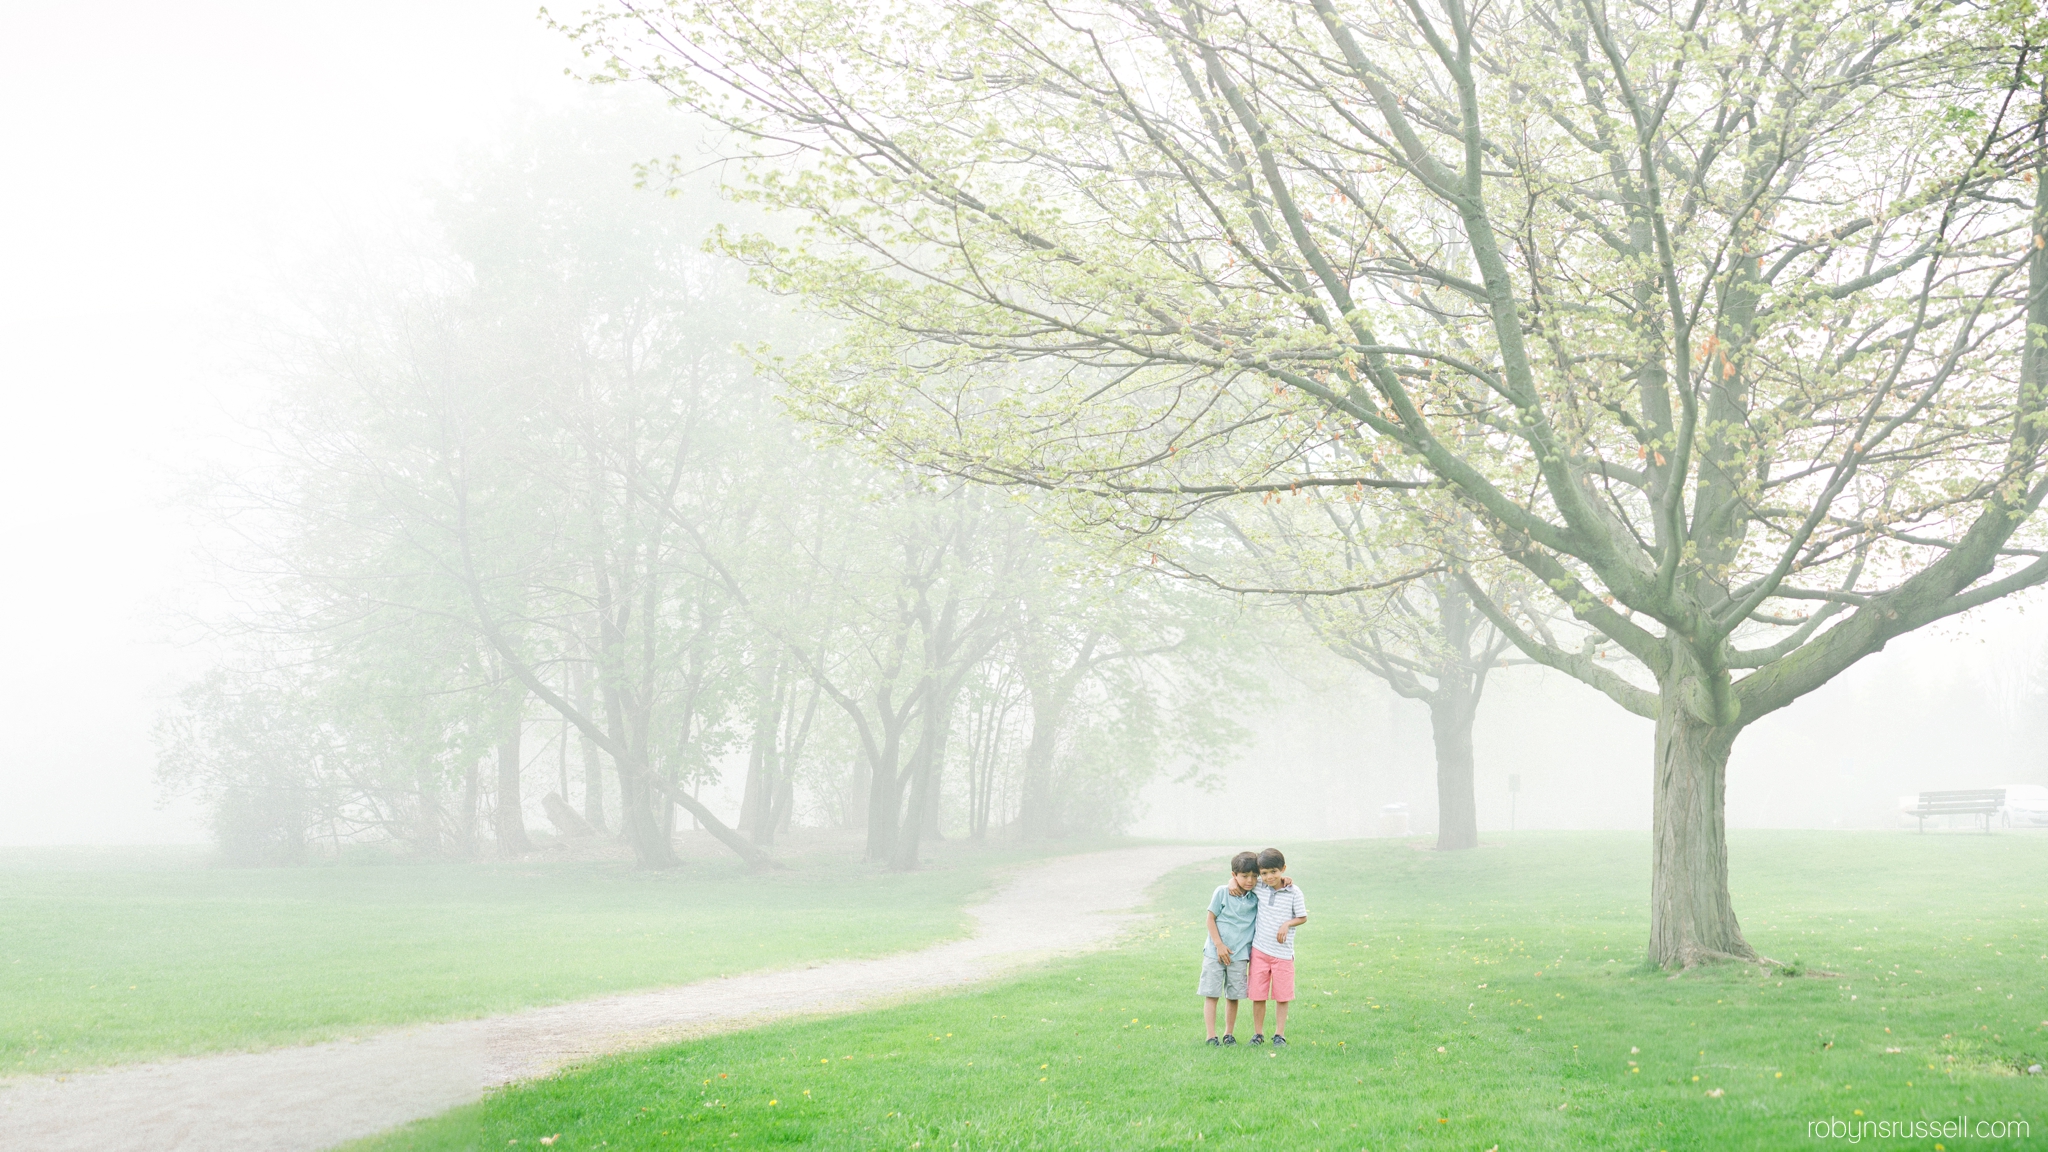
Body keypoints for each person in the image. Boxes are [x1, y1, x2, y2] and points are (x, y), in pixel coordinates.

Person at [1199, 851, 1261, 1046]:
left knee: (1233, 996)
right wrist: (1219, 945)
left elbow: (1275, 881)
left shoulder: (1256, 895)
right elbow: (1210, 918)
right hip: (1214, 952)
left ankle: (1228, 1034)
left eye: (1254, 876)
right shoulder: (1222, 891)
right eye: (1244, 876)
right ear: (1234, 875)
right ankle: (1211, 1036)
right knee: (1212, 993)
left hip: (1240, 954)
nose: (1250, 880)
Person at [1248, 846, 1307, 1046]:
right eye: (1264, 873)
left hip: (1282, 953)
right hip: (1260, 950)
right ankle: (1258, 1034)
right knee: (1258, 994)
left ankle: (1279, 1034)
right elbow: (1237, 880)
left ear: (1283, 869)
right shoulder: (1259, 887)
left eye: (1273, 872)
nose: (1269, 877)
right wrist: (1231, 881)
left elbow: (1302, 917)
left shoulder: (1293, 891)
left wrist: (1287, 924)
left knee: (1282, 996)